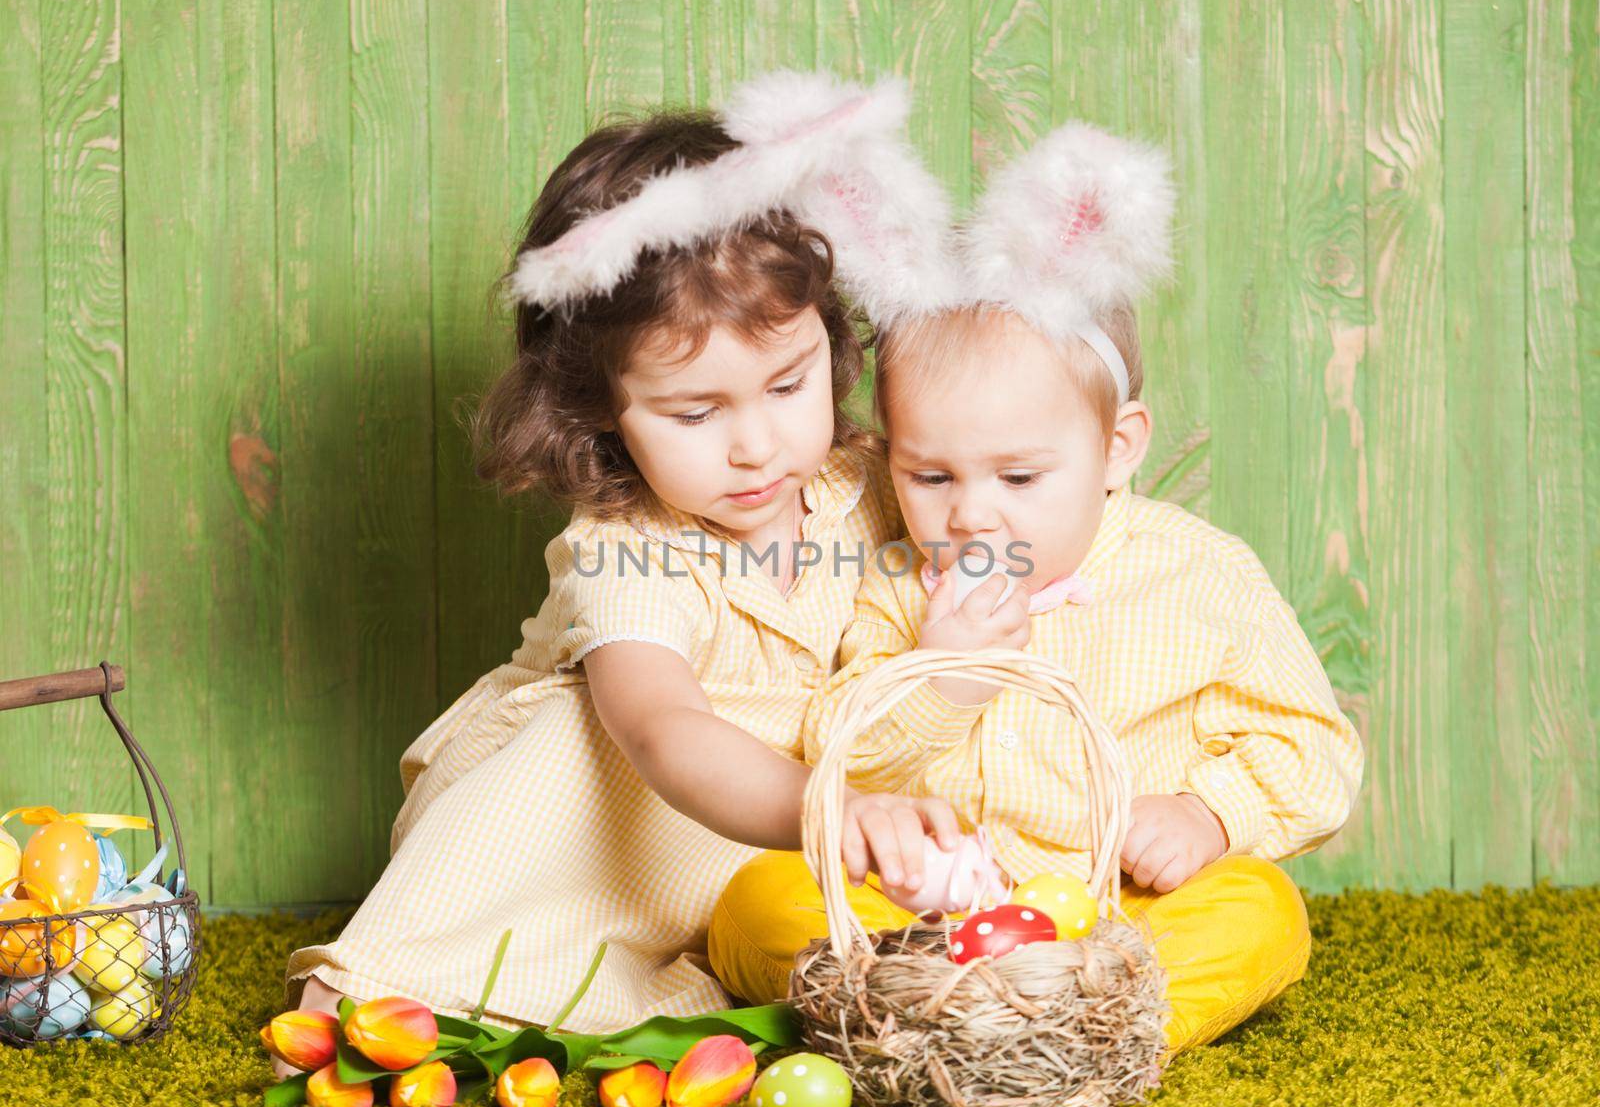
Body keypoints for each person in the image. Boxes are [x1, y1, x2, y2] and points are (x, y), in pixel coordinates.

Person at [281, 71, 968, 1048]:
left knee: (819, 935)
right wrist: (828, 806)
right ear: (597, 401)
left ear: (829, 337)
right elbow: (663, 728)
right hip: (579, 832)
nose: (755, 444)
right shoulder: (626, 546)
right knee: (577, 737)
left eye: (786, 382)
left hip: (746, 831)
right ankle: (399, 976)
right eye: (694, 412)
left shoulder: (863, 485)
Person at [707, 122, 1366, 1057]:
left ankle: (1099, 1028)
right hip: (928, 918)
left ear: (1118, 449)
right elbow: (839, 753)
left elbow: (1314, 744)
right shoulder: (900, 582)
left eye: (1019, 478)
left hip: (1120, 919)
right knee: (751, 903)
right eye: (931, 477)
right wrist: (942, 675)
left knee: (1265, 911)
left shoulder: (1203, 573)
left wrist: (1212, 814)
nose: (972, 515)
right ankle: (931, 1010)